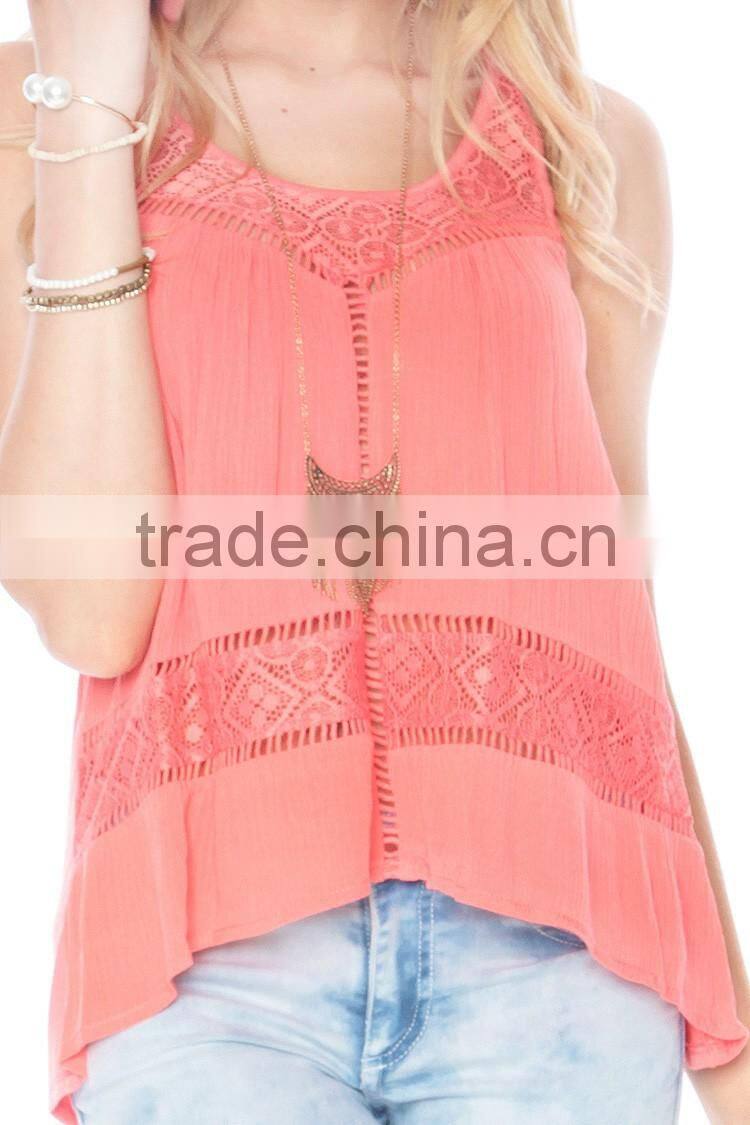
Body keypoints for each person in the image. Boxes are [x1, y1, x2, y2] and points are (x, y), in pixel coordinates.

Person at [0, 1, 748, 1121]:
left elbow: (616, 612)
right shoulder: (45, 106)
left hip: (564, 978)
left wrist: (734, 1063)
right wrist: (91, 106)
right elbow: (90, 609)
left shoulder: (580, 140)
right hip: (203, 981)